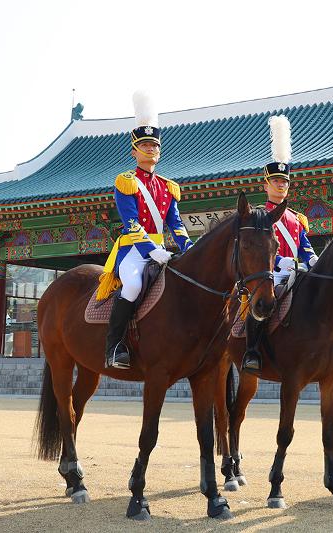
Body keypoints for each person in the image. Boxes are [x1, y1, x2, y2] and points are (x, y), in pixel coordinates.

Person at [97, 90, 192, 369]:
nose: (151, 149)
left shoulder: (167, 186)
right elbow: (131, 223)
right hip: (133, 251)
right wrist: (152, 251)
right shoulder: (126, 182)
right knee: (135, 284)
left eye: (154, 145)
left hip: (162, 249)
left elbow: (176, 224)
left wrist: (189, 249)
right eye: (145, 145)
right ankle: (114, 346)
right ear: (134, 151)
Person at [241, 115, 318, 374]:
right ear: (266, 184)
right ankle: (252, 350)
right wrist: (279, 263)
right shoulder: (261, 216)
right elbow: (260, 249)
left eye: (285, 181)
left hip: (297, 269)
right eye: (276, 181)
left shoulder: (297, 218)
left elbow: (303, 244)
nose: (281, 185)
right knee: (265, 303)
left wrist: (313, 258)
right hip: (271, 271)